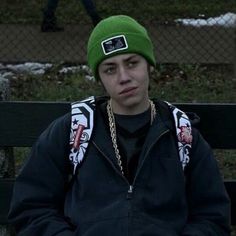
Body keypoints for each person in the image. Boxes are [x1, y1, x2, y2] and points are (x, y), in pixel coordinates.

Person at [9, 15, 231, 235]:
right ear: (99, 78)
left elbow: (212, 215)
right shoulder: (73, 131)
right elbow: (31, 208)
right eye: (110, 69)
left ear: (149, 65)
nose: (124, 77)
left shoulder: (182, 133)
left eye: (132, 63)